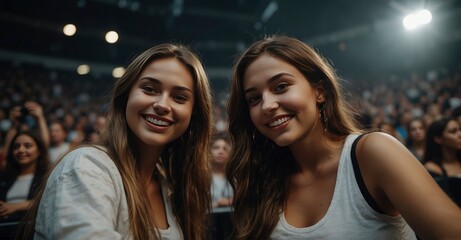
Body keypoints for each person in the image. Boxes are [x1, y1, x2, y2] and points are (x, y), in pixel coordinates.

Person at [226, 35, 461, 239]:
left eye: (281, 86)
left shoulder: (373, 153)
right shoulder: (259, 179)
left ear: (319, 91)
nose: (267, 105)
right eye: (254, 99)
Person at [19, 43, 213, 239]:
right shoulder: (86, 167)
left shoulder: (172, 184)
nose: (162, 105)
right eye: (149, 89)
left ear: (194, 114)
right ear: (126, 95)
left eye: (179, 97)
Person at [0, 131, 49, 222]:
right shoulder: (4, 178)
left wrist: (15, 206)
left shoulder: (46, 177)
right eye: (16, 147)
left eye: (27, 146)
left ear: (39, 151)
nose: (20, 150)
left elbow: (48, 200)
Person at [211, 132, 233, 209]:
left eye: (225, 149)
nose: (220, 152)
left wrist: (230, 201)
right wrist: (217, 204)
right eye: (216, 147)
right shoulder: (202, 178)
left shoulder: (235, 178)